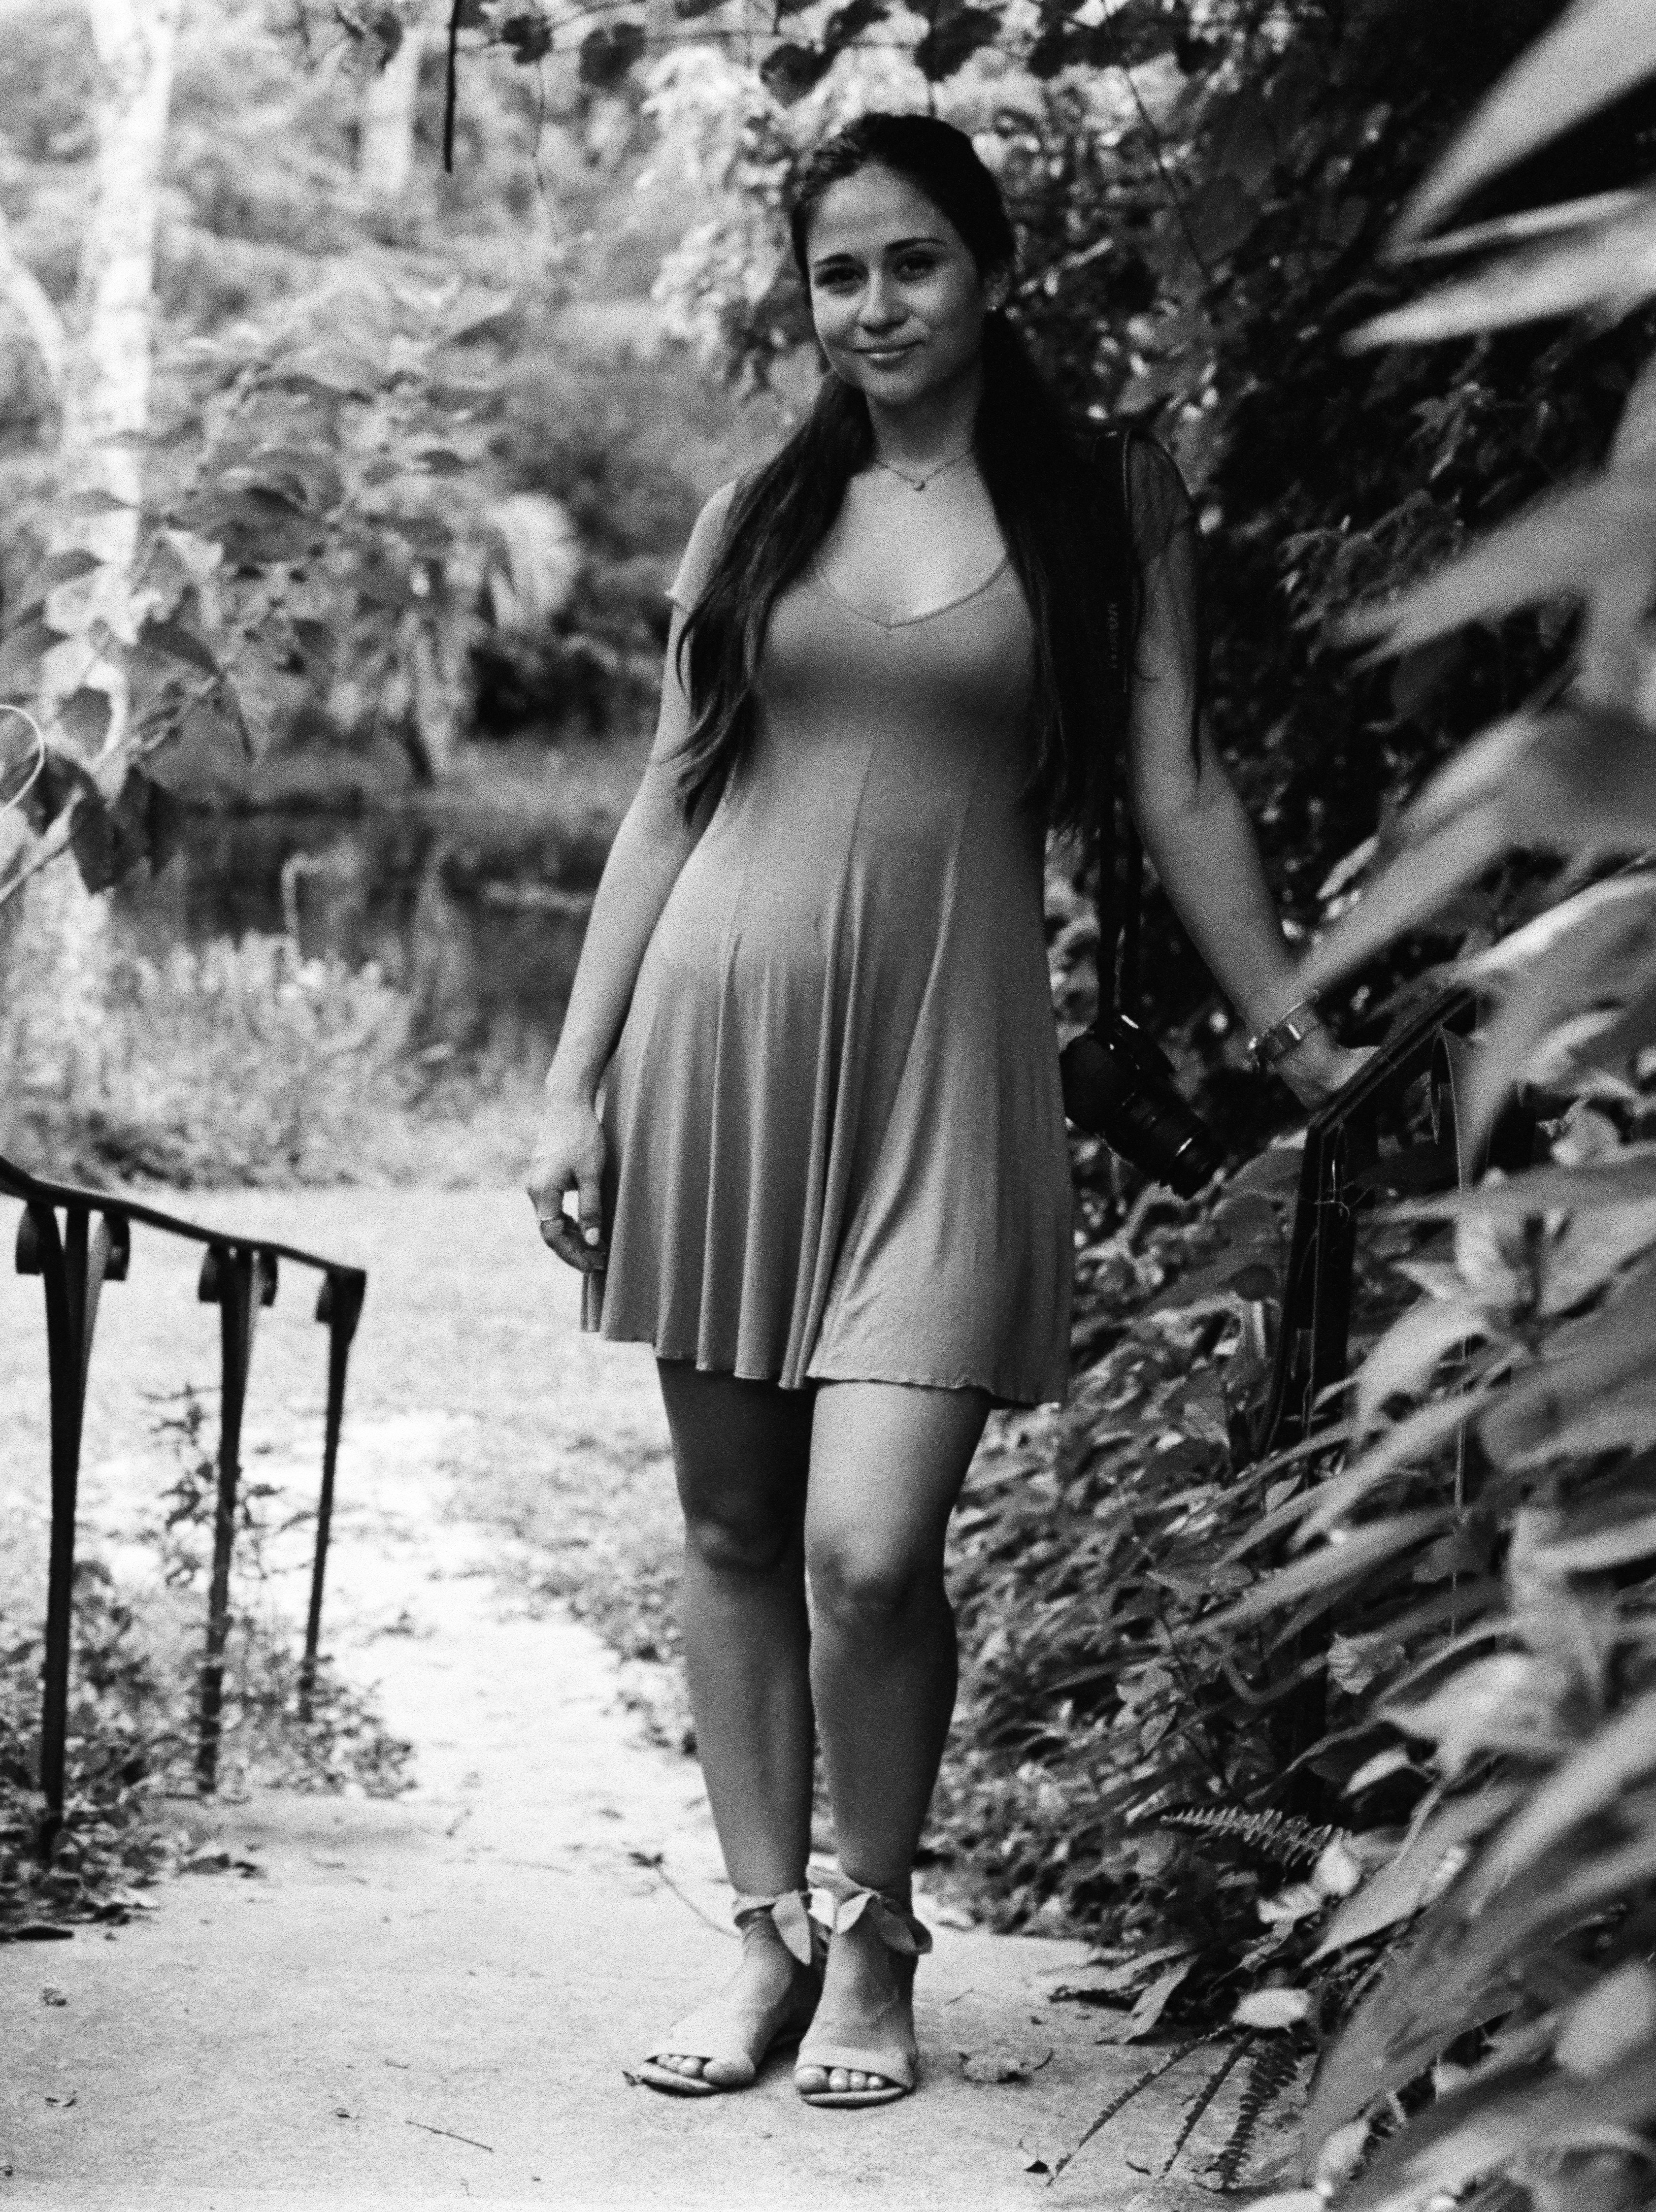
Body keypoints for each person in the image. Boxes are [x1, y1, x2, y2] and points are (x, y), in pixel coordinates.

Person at [520, 111, 1356, 2111]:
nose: (871, 304)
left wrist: (1300, 1027)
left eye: (908, 261)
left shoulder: (1100, 503)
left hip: (942, 1070)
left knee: (869, 1549)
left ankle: (875, 1917)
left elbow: (1177, 785)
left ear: (985, 272)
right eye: (836, 272)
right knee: (731, 1525)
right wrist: (569, 1083)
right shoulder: (753, 515)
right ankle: (759, 1938)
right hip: (712, 1051)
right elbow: (668, 798)